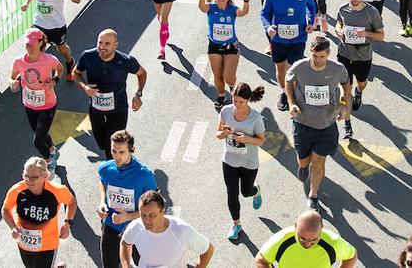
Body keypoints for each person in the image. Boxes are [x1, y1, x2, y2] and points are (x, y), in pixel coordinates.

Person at [286, 37, 351, 211]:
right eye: (315, 56)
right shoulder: (299, 67)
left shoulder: (338, 69)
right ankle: (302, 166)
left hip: (326, 124)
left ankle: (313, 195)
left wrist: (344, 105)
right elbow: (288, 81)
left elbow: (346, 86)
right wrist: (291, 102)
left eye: (321, 56)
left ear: (328, 54)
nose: (318, 60)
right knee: (303, 160)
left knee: (319, 163)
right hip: (303, 123)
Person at [72, 29, 146, 160]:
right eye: (100, 42)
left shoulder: (125, 61)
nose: (102, 47)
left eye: (107, 43)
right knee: (101, 143)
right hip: (96, 109)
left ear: (115, 45)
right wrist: (85, 88)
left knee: (109, 148)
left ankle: (116, 173)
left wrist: (138, 94)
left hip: (118, 110)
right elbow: (76, 73)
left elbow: (142, 73)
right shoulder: (87, 56)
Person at [97, 130, 157, 268]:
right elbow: (102, 182)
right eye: (114, 151)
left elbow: (155, 209)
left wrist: (128, 217)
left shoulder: (144, 175)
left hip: (137, 229)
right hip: (110, 226)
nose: (117, 156)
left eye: (122, 152)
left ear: (132, 149)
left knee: (140, 265)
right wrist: (102, 202)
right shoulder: (105, 169)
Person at [261, 0, 317, 112]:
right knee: (280, 68)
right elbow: (264, 13)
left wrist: (311, 23)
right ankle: (284, 92)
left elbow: (311, 7)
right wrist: (268, 28)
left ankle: (295, 94)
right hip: (279, 39)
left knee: (294, 67)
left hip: (298, 38)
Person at [335, 0, 385, 140]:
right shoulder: (343, 9)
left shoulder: (371, 12)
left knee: (361, 82)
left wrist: (366, 34)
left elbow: (381, 35)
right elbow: (339, 23)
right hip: (344, 53)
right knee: (345, 89)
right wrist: (338, 30)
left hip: (363, 56)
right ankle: (347, 124)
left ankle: (359, 91)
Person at [218, 83, 267, 241]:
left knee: (246, 192)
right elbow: (218, 133)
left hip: (249, 162)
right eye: (235, 100)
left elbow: (261, 141)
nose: (237, 105)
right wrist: (224, 133)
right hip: (229, 160)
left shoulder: (255, 117)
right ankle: (236, 224)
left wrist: (246, 138)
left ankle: (256, 191)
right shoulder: (225, 111)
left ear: (248, 100)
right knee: (232, 193)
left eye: (241, 102)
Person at [10, 29, 64, 173]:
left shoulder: (49, 60)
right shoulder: (19, 61)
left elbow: (60, 69)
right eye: (27, 44)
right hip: (29, 104)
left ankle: (48, 161)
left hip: (47, 104)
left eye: (33, 44)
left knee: (37, 140)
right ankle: (53, 150)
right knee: (40, 132)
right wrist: (13, 83)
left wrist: (54, 81)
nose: (29, 47)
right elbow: (12, 76)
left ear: (41, 43)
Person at [199, 0, 257, 108]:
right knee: (217, 75)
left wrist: (246, 0)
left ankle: (232, 87)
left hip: (231, 45)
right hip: (214, 46)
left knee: (228, 77)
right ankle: (221, 96)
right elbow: (202, 7)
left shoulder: (232, 9)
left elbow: (242, 12)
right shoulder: (211, 7)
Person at [120, 190, 214, 268]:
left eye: (151, 215)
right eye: (143, 215)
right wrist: (126, 265)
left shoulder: (181, 230)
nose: (146, 220)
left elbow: (208, 250)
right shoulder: (136, 227)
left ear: (163, 212)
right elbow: (125, 243)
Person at [22, 0, 80, 78]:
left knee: (61, 49)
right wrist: (27, 2)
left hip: (56, 25)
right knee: (36, 48)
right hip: (39, 23)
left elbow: (77, 0)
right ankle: (39, 74)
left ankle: (70, 62)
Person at [255, 211, 357, 268]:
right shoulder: (282, 240)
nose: (308, 245)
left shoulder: (332, 243)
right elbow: (261, 260)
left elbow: (351, 256)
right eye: (302, 239)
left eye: (314, 240)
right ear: (295, 226)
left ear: (321, 228)